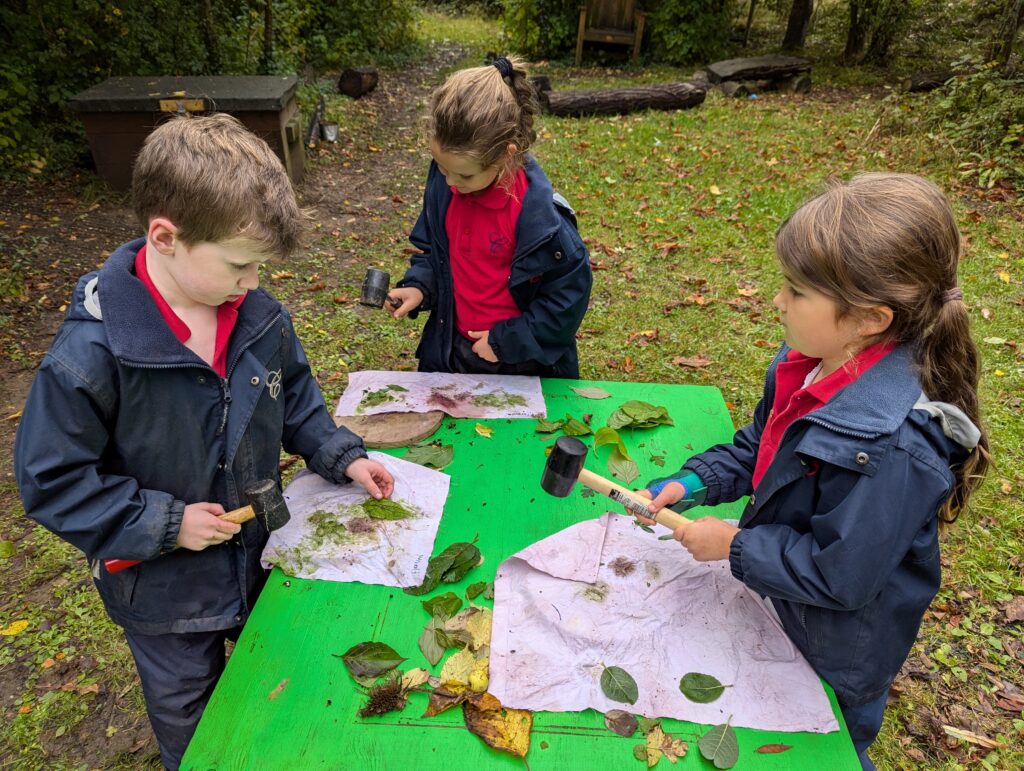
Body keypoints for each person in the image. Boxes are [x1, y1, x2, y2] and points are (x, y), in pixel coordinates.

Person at [14, 114, 395, 770]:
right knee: (191, 721)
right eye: (240, 265)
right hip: (163, 597)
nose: (252, 282)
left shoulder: (258, 317)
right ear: (166, 236)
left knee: (269, 682)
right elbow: (52, 479)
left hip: (256, 559)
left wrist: (341, 453)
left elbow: (294, 397)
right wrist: (164, 523)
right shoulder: (92, 356)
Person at [637, 173, 989, 770]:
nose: (777, 301)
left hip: (837, 650)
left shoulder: (897, 446)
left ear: (871, 318)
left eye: (797, 292)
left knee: (816, 748)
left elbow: (842, 577)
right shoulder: (811, 365)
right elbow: (765, 448)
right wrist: (695, 482)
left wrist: (737, 546)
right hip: (783, 603)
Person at [388, 56, 592, 377]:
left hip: (519, 361)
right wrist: (420, 287)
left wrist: (507, 342)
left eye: (465, 176)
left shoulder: (544, 223)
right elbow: (438, 255)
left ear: (504, 156)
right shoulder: (447, 183)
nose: (452, 183)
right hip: (452, 350)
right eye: (442, 169)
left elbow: (566, 301)